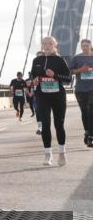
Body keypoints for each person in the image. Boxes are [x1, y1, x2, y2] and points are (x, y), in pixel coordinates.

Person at [30, 36, 71, 166]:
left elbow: (68, 79)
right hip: (42, 96)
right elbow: (32, 76)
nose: (47, 46)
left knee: (59, 125)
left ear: (55, 46)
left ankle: (62, 152)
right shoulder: (37, 60)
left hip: (58, 96)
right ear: (42, 46)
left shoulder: (59, 60)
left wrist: (55, 75)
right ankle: (48, 154)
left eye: (50, 44)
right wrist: (34, 80)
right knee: (45, 125)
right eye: (44, 44)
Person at [69, 38, 93, 147]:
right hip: (80, 90)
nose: (85, 48)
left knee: (91, 112)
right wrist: (81, 70)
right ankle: (87, 132)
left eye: (86, 46)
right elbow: (69, 72)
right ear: (81, 47)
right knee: (85, 112)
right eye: (83, 46)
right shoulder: (77, 58)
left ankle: (91, 136)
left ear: (90, 46)